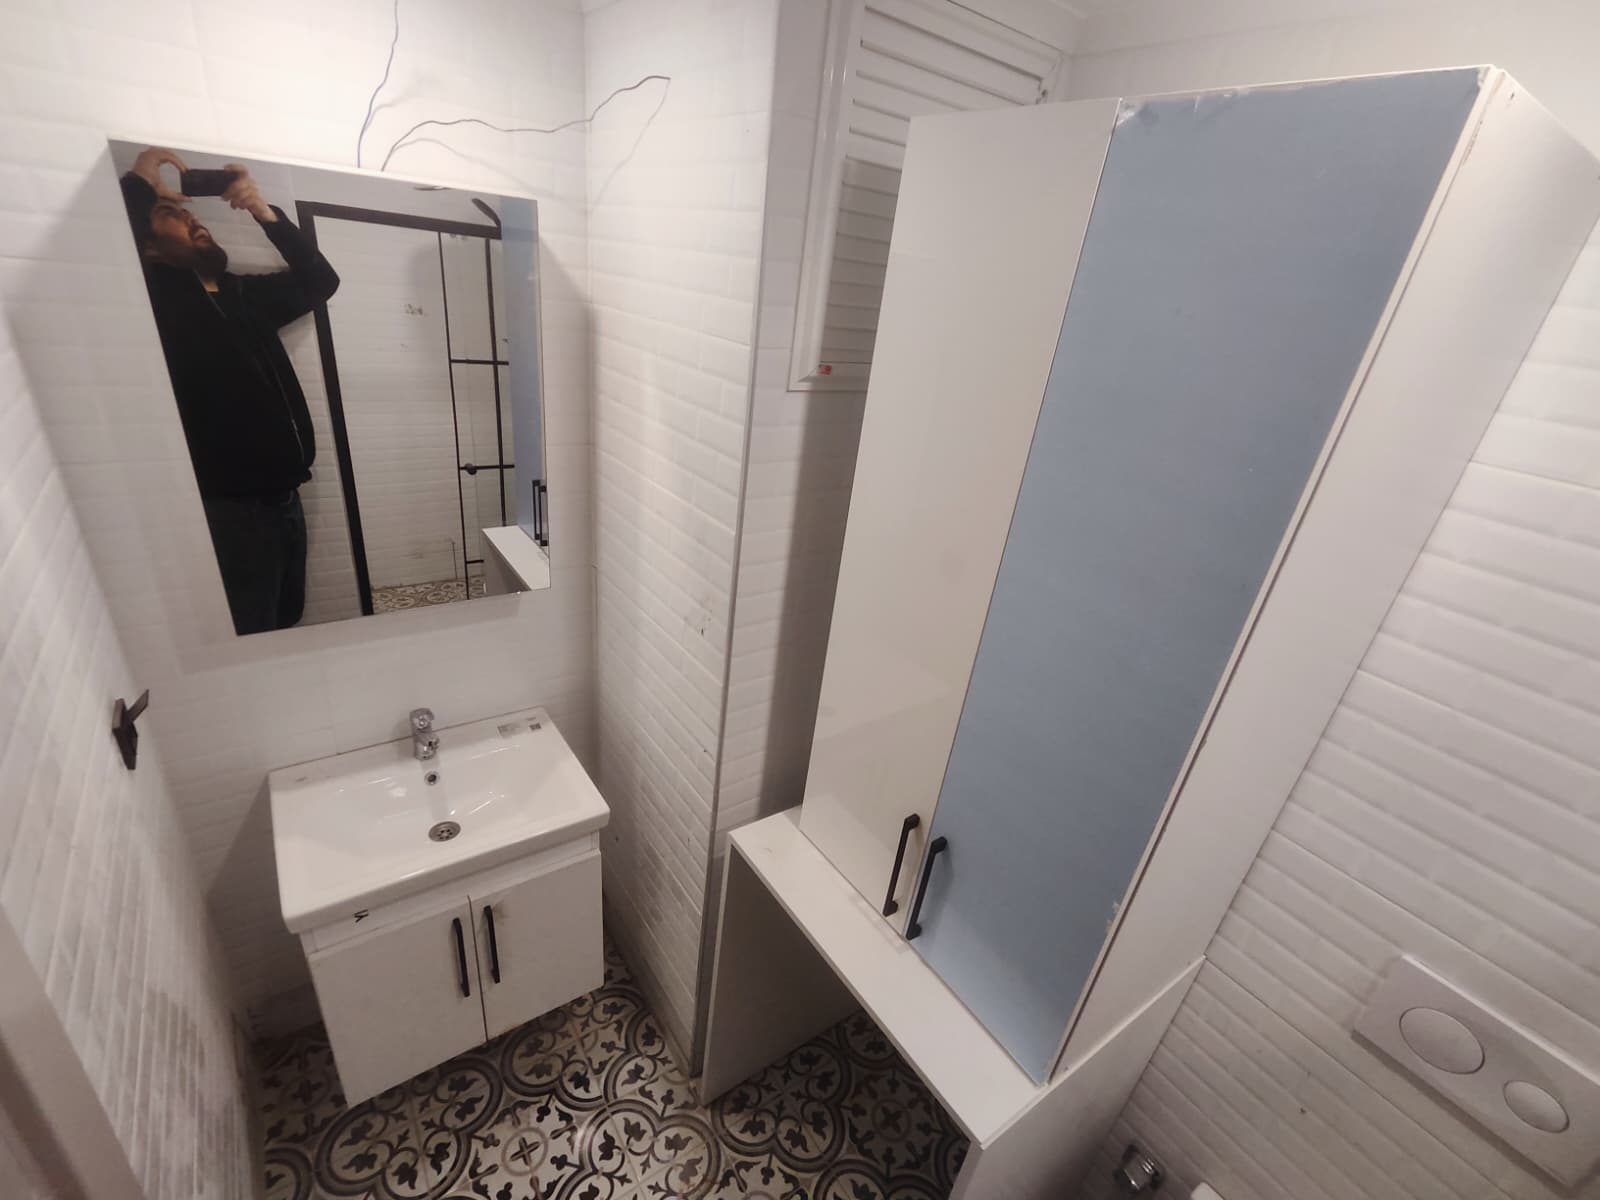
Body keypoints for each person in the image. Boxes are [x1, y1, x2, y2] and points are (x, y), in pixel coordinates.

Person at [120, 146, 340, 635]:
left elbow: (321, 281)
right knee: (252, 630)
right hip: (230, 511)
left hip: (286, 499)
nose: (192, 219)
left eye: (190, 214)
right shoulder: (155, 300)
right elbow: (107, 240)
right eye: (171, 214)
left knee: (288, 616)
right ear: (147, 246)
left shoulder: (244, 295)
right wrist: (143, 178)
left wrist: (263, 212)